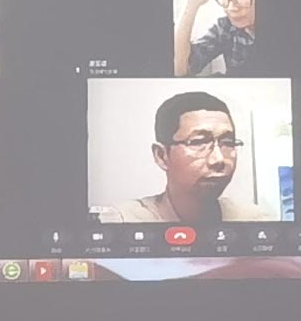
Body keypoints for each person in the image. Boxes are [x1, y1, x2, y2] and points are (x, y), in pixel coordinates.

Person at [99, 91, 278, 224]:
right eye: (199, 142)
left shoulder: (256, 221)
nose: (218, 159)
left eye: (228, 142)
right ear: (162, 155)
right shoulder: (123, 221)